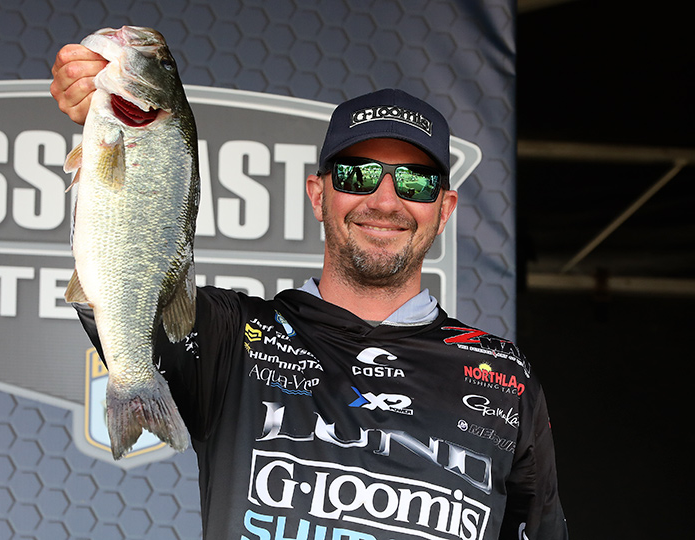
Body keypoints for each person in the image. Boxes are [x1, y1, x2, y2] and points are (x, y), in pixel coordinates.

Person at [52, 44, 567, 540]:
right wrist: (114, 120)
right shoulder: (231, 337)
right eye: (358, 175)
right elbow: (124, 273)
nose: (386, 200)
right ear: (319, 195)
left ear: (444, 209)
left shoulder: (505, 380)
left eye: (416, 182)